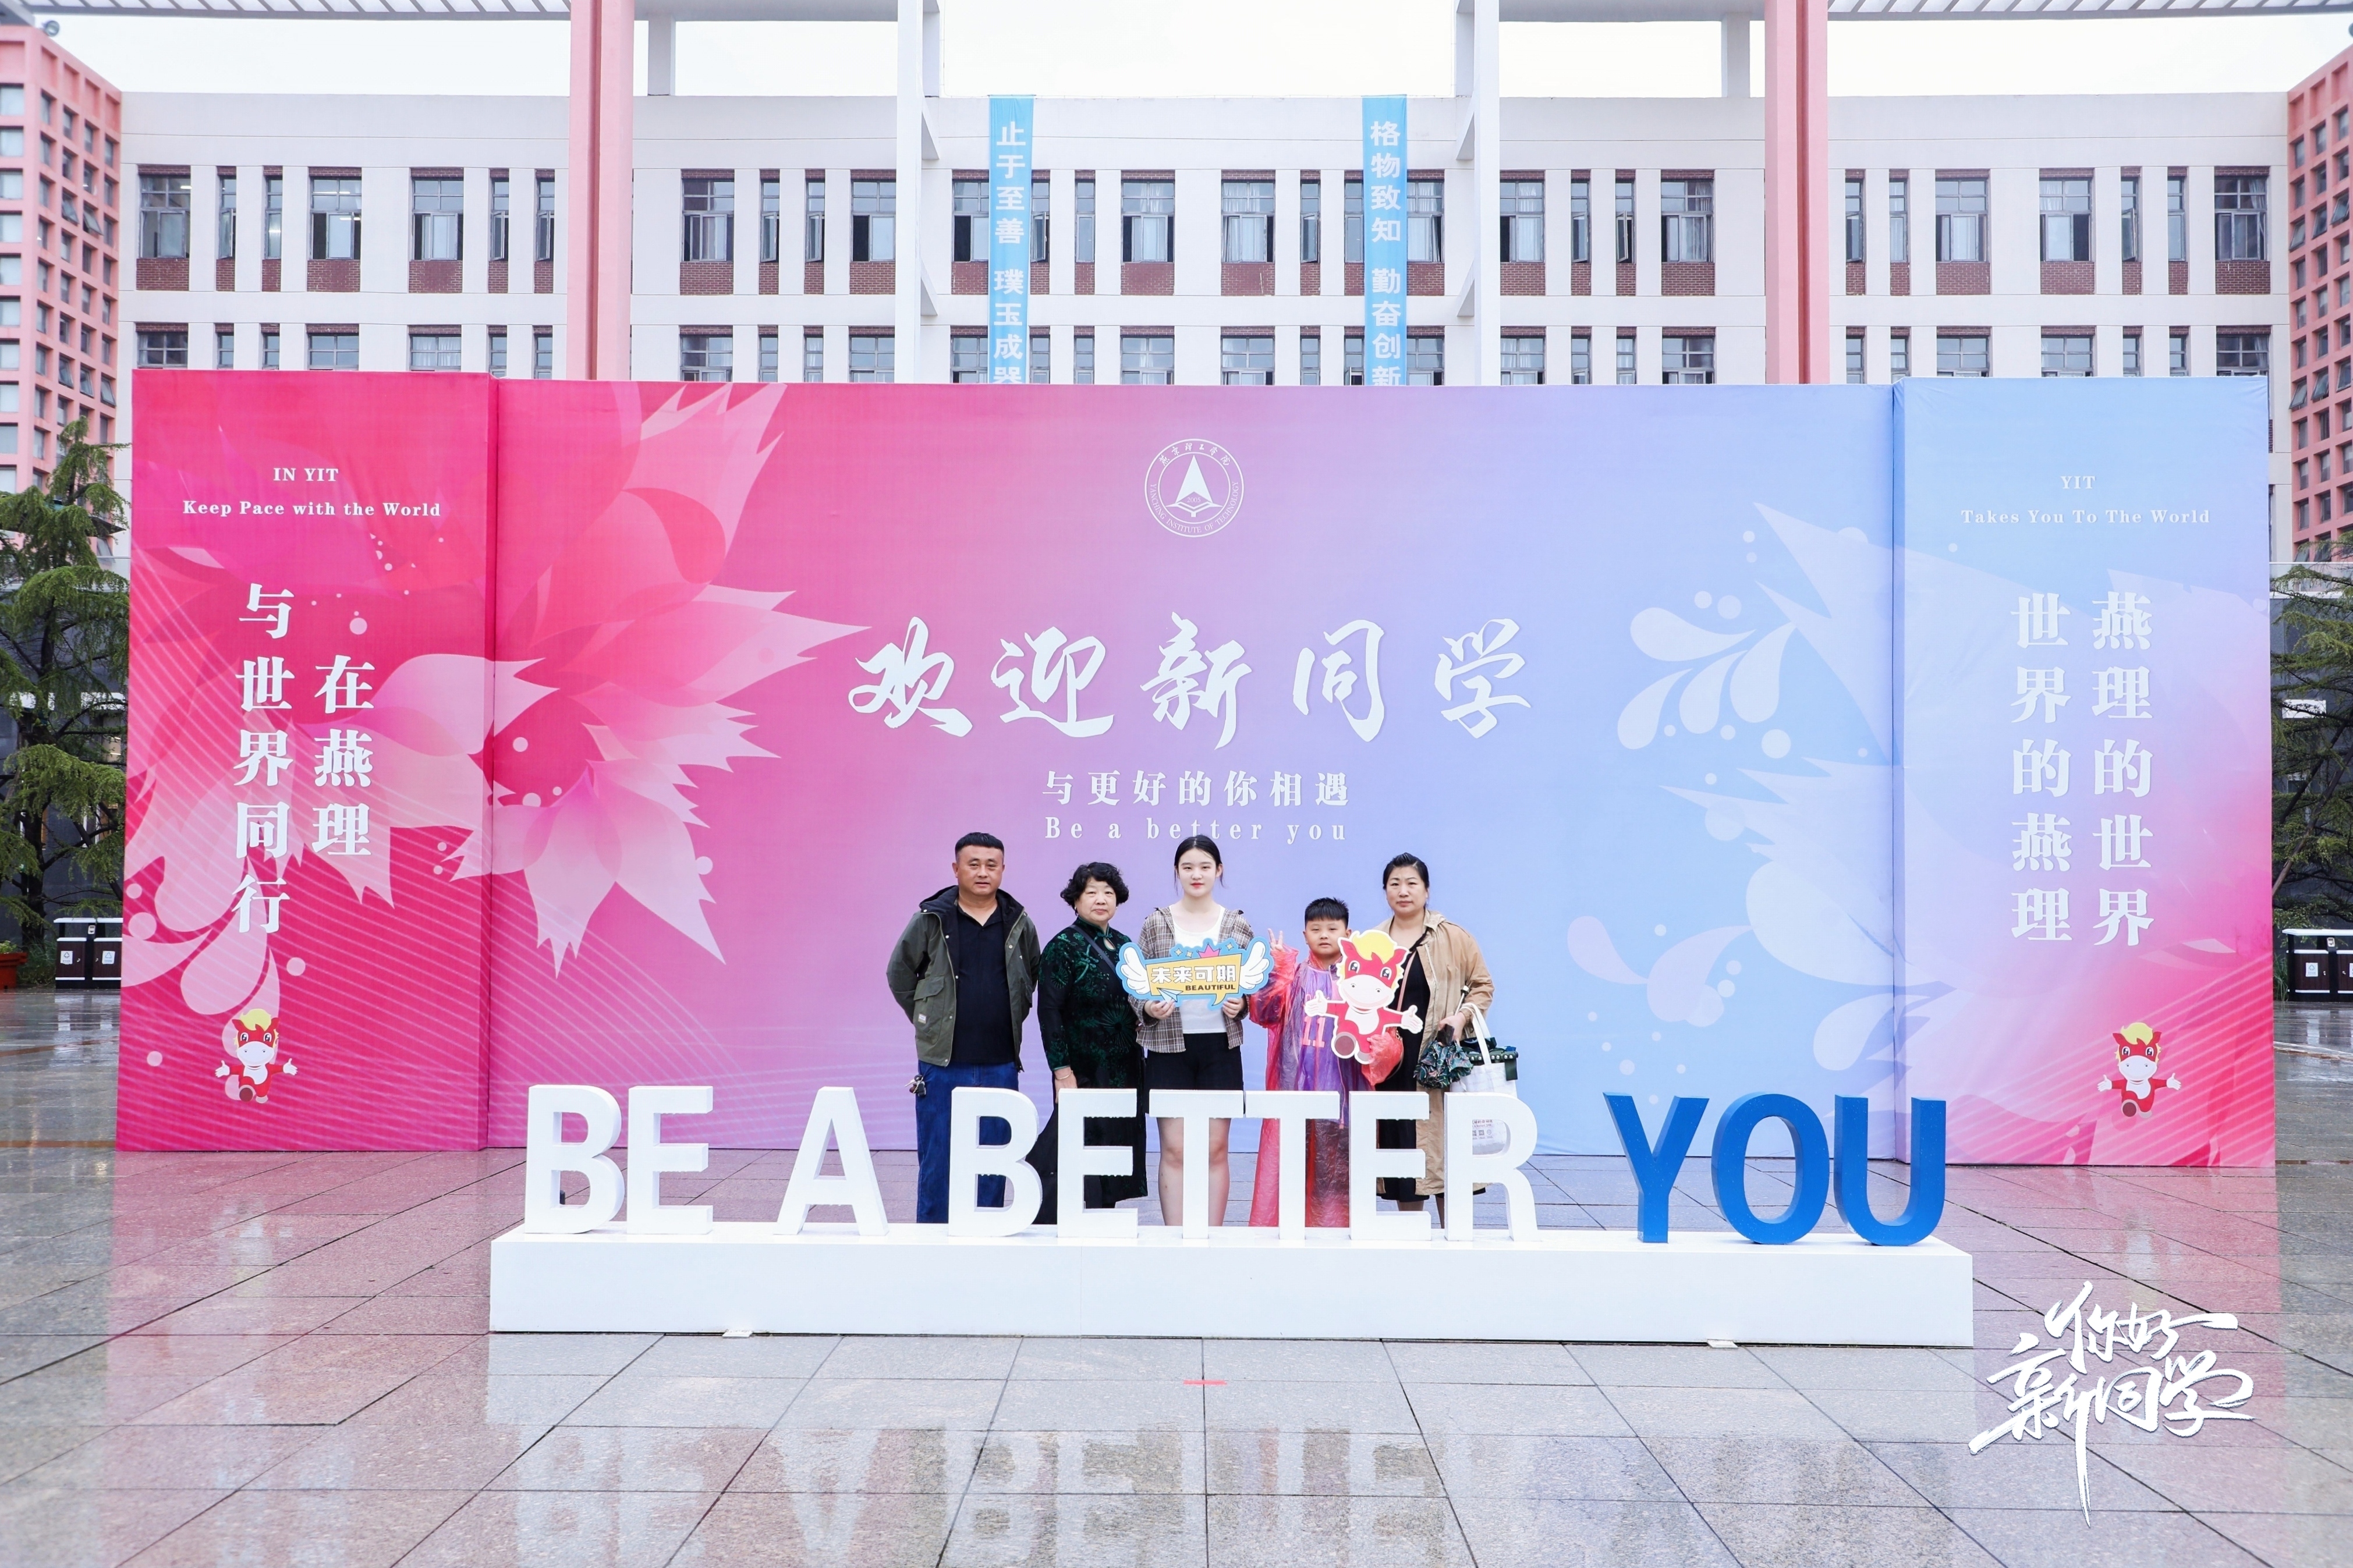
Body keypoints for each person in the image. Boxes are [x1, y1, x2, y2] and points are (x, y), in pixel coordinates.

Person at [885, 832, 1042, 1225]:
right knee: (938, 1158)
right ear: (956, 869)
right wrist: (929, 1017)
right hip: (943, 1062)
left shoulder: (1019, 922)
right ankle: (932, 1238)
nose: (983, 872)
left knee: (996, 1159)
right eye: (974, 864)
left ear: (1003, 870)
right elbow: (899, 973)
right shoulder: (931, 919)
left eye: (992, 865)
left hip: (1000, 1062)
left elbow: (1031, 974)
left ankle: (987, 1232)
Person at [1132, 835, 1254, 1228]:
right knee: (1175, 1151)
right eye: (1188, 867)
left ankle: (1212, 1238)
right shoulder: (1156, 923)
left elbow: (1252, 986)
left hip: (1221, 1048)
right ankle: (1175, 1239)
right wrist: (1148, 1007)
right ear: (1177, 872)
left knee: (1216, 1150)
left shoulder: (1236, 924)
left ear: (1219, 871)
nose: (1196, 874)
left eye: (1204, 867)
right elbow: (1137, 985)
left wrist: (1242, 1005)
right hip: (1168, 1050)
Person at [1373, 853, 1494, 1215]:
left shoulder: (1454, 937)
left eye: (1412, 883)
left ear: (1427, 891)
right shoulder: (1373, 941)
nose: (1403, 891)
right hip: (1390, 1066)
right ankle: (1413, 1238)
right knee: (1401, 1151)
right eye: (1395, 884)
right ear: (1385, 891)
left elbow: (1483, 987)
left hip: (1438, 1061)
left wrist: (1461, 1018)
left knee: (1445, 1150)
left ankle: (1453, 1238)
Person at [1032, 861, 1149, 1218]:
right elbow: (1049, 1012)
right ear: (1076, 900)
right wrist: (1061, 1071)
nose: (1101, 899)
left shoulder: (1126, 946)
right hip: (1083, 1068)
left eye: (1108, 893)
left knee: (1112, 1145)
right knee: (1074, 1144)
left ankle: (1102, 1217)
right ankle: (1048, 1219)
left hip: (1124, 1066)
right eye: (1092, 892)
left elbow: (1140, 1000)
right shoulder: (1063, 946)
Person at [1247, 897, 1367, 1230]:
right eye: (1316, 929)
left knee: (1336, 1169)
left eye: (1332, 928)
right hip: (1294, 1087)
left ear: (1348, 934)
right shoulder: (1295, 976)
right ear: (1304, 935)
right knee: (1291, 1161)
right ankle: (1285, 1232)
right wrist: (1278, 969)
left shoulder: (1360, 983)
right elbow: (1264, 1012)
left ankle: (1335, 1231)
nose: (1324, 935)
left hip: (1341, 1093)